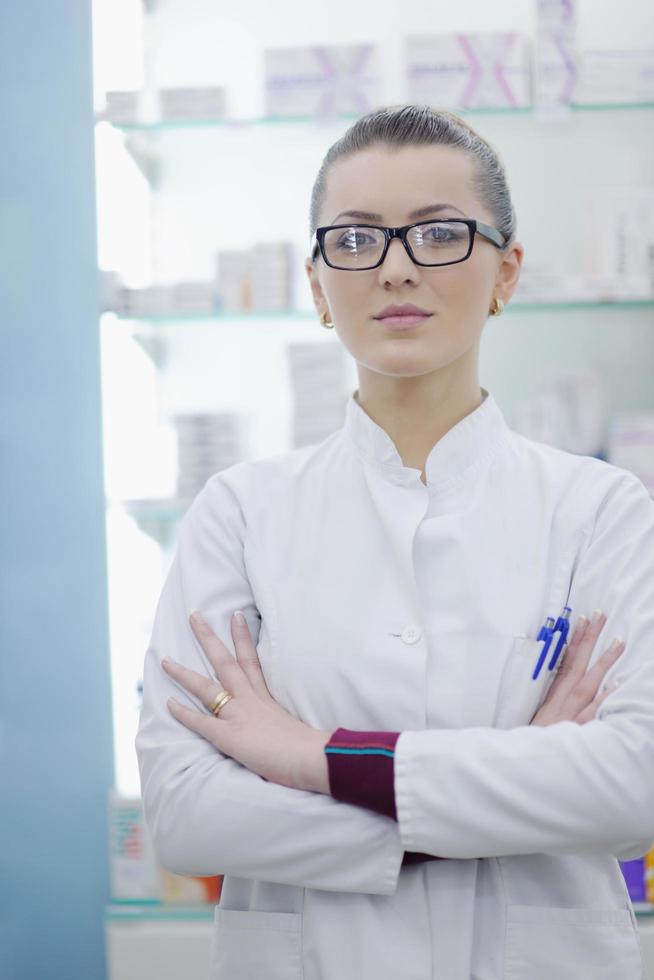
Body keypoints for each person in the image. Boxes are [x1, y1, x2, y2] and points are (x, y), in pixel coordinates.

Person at [135, 104, 654, 979]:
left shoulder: (600, 508)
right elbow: (187, 816)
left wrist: (306, 758)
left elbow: (633, 787)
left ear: (506, 272)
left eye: (440, 234)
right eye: (356, 240)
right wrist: (514, 787)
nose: (396, 269)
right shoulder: (239, 512)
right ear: (315, 284)